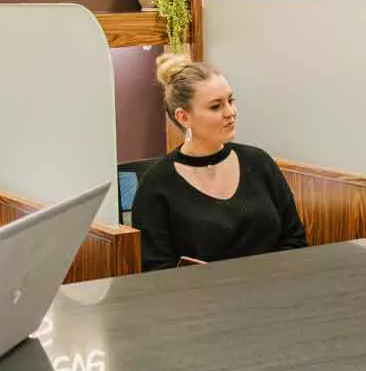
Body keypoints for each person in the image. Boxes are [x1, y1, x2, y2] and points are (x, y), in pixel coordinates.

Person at [131, 54, 306, 271]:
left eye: (230, 100)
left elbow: (296, 240)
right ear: (184, 117)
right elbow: (156, 269)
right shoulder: (156, 185)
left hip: (276, 292)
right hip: (202, 301)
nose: (230, 113)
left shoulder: (259, 162)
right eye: (216, 106)